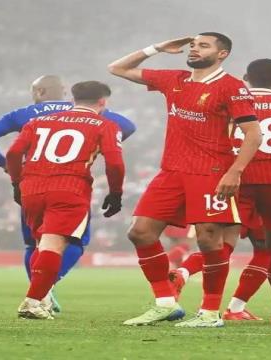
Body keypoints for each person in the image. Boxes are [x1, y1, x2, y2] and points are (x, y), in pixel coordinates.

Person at [108, 33, 262, 327]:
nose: (194, 49)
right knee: (140, 232)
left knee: (208, 239)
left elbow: (253, 134)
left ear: (222, 54)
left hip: (211, 171)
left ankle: (210, 313)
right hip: (172, 171)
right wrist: (156, 48)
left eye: (203, 45)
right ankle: (165, 303)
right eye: (193, 45)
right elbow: (117, 68)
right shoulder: (174, 79)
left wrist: (235, 171)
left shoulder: (232, 87)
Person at [171, 59, 271, 324]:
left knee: (221, 243)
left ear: (246, 77)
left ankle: (188, 277)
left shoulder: (229, 103)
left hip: (232, 180)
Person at [0, 75, 135, 308]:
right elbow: (126, 131)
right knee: (70, 242)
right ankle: (40, 293)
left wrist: (13, 175)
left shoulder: (30, 117)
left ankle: (38, 294)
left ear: (39, 92)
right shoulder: (103, 120)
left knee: (35, 244)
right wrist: (98, 149)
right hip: (70, 186)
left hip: (31, 185)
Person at [6, 81, 125, 319]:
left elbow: (13, 153)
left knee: (41, 244)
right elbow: (114, 163)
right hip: (69, 187)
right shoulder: (106, 125)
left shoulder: (37, 121)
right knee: (54, 245)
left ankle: (42, 300)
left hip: (32, 187)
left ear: (72, 100)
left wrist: (17, 183)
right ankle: (32, 302)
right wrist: (116, 193)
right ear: (102, 102)